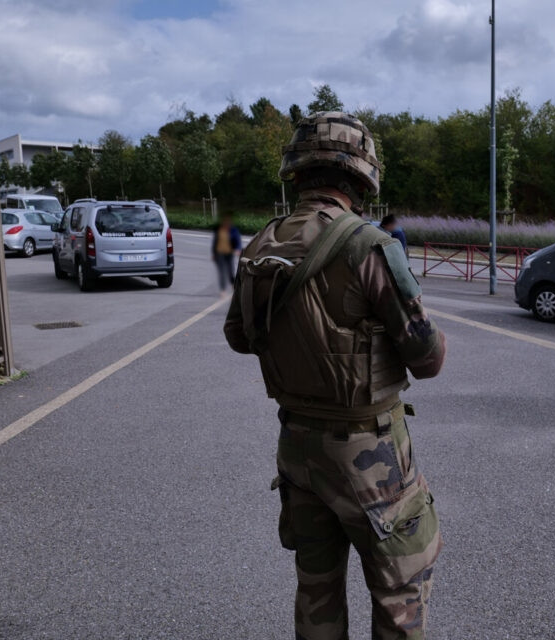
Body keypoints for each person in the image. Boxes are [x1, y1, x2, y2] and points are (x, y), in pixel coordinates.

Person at [223, 112, 446, 640]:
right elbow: (428, 359)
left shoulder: (261, 247)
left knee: (316, 589)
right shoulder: (369, 246)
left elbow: (238, 336)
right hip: (369, 455)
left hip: (298, 446)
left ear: (296, 173)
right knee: (400, 593)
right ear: (363, 177)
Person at [212, 213, 242, 296]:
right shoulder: (219, 230)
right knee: (221, 272)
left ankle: (234, 286)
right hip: (220, 253)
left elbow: (238, 241)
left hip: (229, 253)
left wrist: (238, 249)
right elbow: (215, 242)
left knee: (230, 271)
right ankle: (223, 290)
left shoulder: (233, 230)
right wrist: (214, 253)